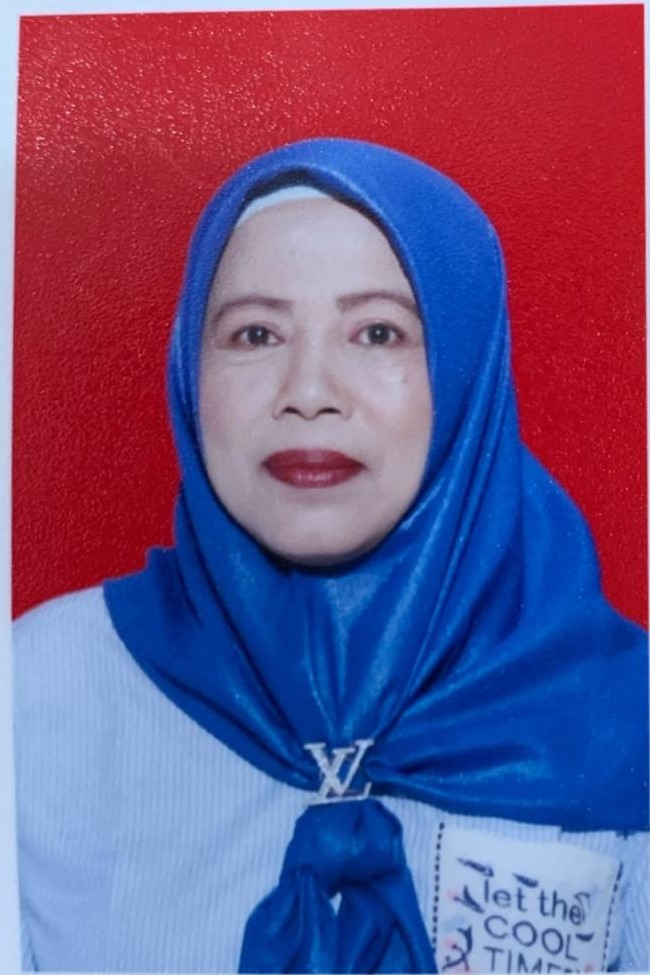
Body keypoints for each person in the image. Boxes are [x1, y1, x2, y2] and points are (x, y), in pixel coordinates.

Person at [13, 138, 648, 974]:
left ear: (467, 374)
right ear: (190, 372)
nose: (308, 391)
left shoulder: (627, 718)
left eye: (378, 332)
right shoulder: (38, 691)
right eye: (255, 333)